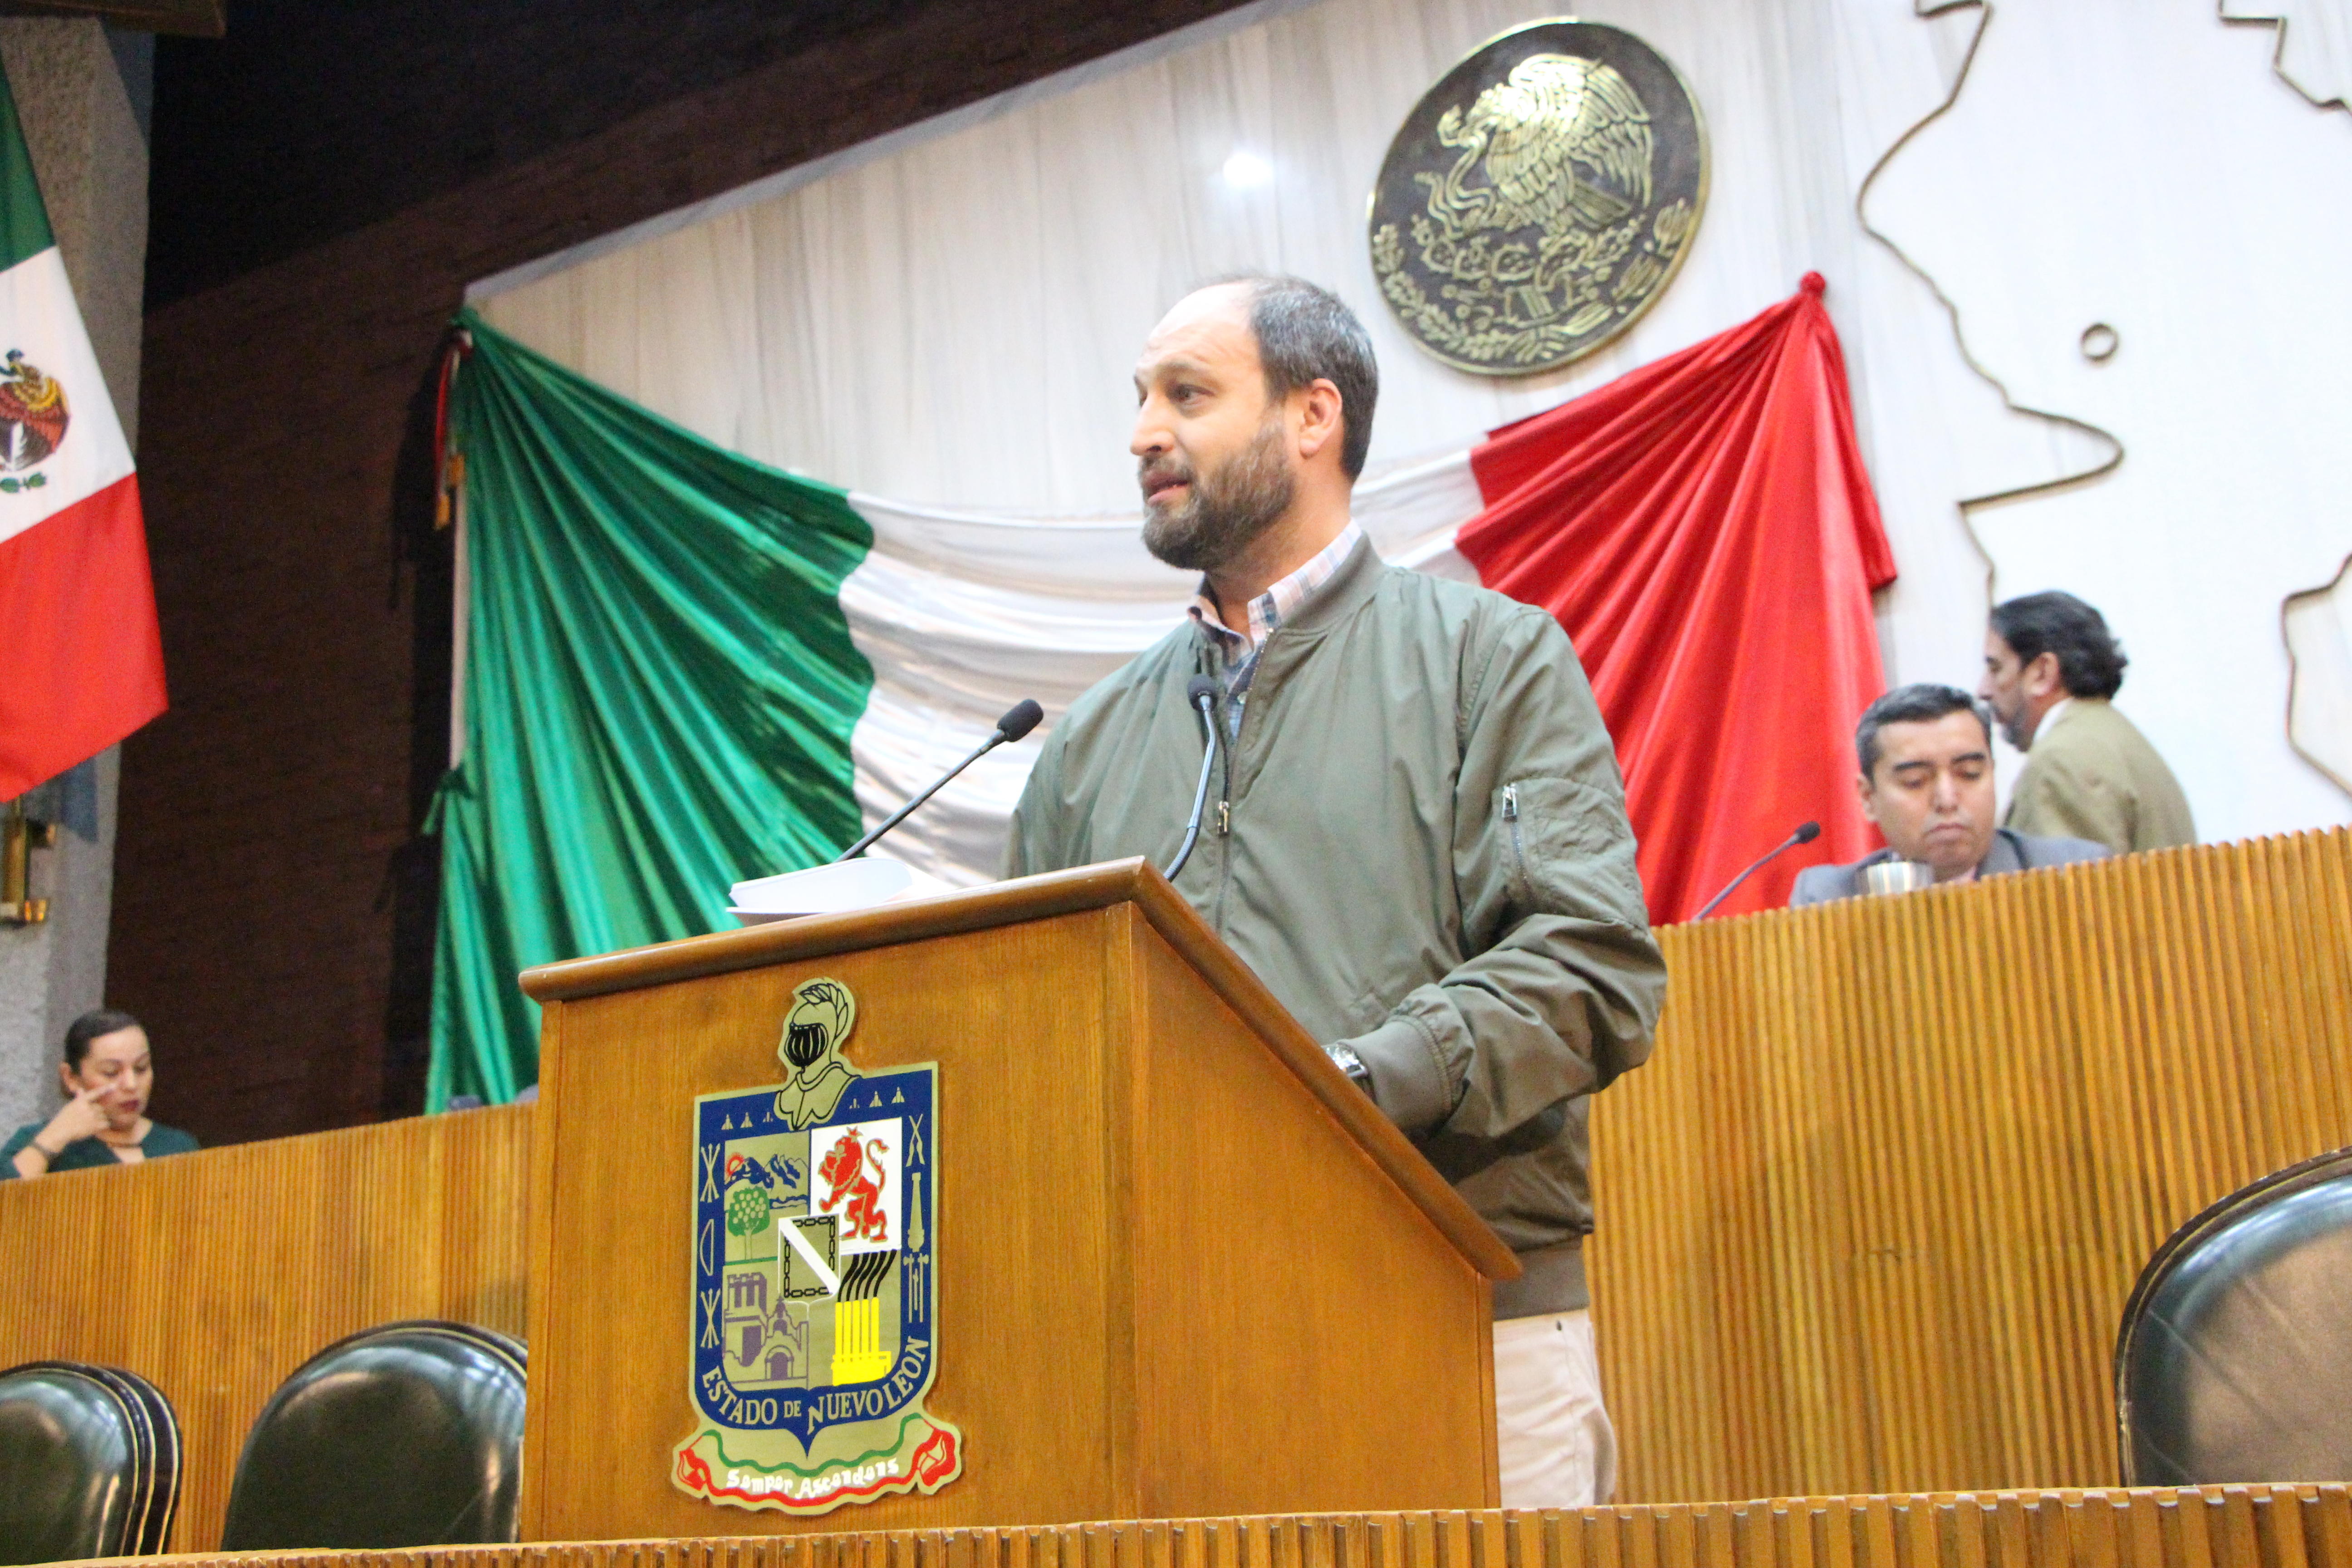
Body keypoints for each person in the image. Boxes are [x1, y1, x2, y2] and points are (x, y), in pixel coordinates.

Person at [1003, 275, 1666, 1506]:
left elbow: (1589, 967)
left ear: (1315, 417)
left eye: (1187, 394)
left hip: (1465, 1315)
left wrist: (1352, 1088)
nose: (1143, 430)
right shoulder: (1084, 749)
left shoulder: (1491, 660)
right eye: (1142, 397)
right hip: (1165, 1360)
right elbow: (1028, 1053)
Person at [1791, 684, 2109, 905]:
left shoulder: (2075, 875)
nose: (1947, 799)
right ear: (1868, 798)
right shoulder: (1829, 900)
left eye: (1969, 774)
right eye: (1916, 781)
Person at [1979, 591, 2195, 854]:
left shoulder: (2060, 760)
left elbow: (2068, 891)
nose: (1983, 690)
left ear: (2042, 672)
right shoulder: (2112, 735)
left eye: (1996, 668)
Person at [3, 1008, 199, 1180]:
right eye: (111, 1073)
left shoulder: (178, 1146)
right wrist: (55, 1137)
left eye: (141, 1068)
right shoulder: (36, 1139)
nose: (131, 1085)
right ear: (71, 1077)